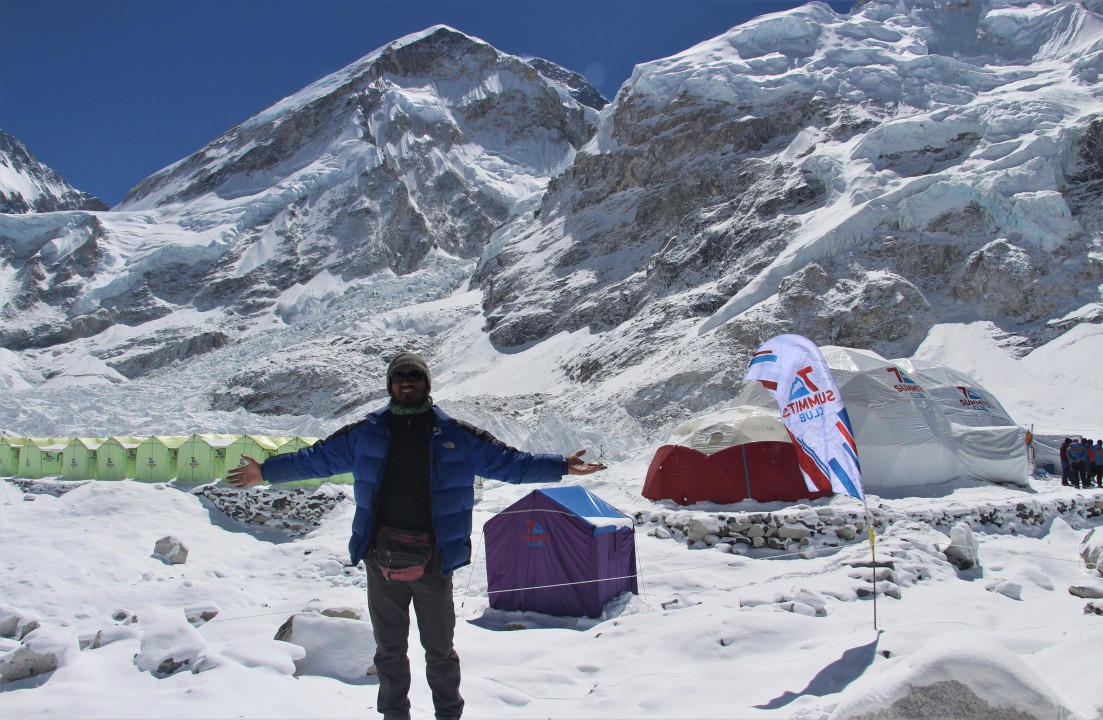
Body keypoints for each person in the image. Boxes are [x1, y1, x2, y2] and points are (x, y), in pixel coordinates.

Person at [226, 351, 607, 720]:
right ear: (390, 384)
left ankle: (448, 715)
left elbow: (508, 463)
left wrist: (560, 466)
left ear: (427, 383)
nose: (407, 383)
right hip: (381, 558)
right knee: (389, 651)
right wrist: (267, 472)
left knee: (440, 651)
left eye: (414, 376)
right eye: (400, 377)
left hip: (435, 560)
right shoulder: (366, 433)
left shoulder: (456, 434)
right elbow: (317, 458)